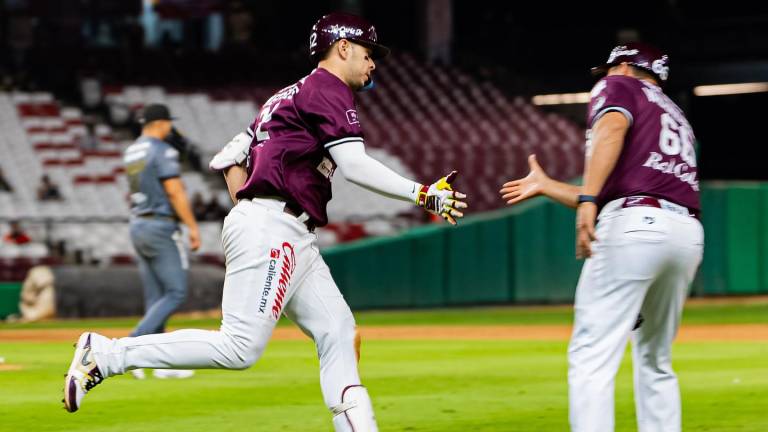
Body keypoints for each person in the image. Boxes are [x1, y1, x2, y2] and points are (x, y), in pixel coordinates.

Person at [63, 13, 467, 431]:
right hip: (274, 226)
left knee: (340, 333)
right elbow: (354, 165)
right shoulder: (327, 88)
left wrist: (255, 213)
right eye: (368, 53)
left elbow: (229, 163)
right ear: (343, 48)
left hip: (286, 229)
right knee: (239, 348)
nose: (373, 64)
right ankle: (107, 354)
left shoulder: (286, 96)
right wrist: (423, 194)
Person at [500, 42, 703, 432]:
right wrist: (551, 186)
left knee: (591, 354)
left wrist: (589, 199)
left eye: (610, 70)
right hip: (685, 234)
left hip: (635, 228)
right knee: (655, 360)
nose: (605, 78)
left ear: (625, 66)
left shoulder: (620, 85)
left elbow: (610, 132)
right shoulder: (675, 114)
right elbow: (629, 191)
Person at [122, 103, 201, 380]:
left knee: (156, 296)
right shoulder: (162, 150)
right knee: (176, 292)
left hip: (138, 223)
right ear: (160, 123)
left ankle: (157, 362)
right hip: (160, 225)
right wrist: (192, 226)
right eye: (168, 123)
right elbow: (175, 191)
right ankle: (129, 347)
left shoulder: (132, 150)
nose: (170, 128)